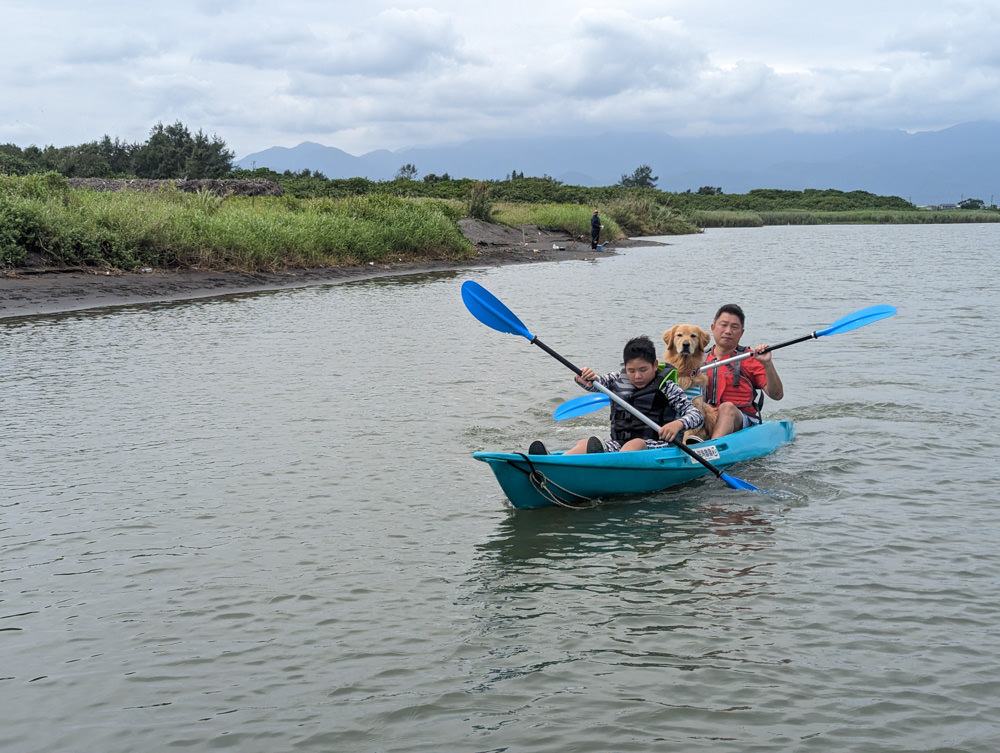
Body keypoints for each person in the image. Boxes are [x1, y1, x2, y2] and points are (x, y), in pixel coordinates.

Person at [529, 336, 703, 455]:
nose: (637, 376)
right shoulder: (617, 379)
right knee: (585, 443)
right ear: (625, 367)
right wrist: (583, 377)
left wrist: (678, 424)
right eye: (631, 371)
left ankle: (609, 470)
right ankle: (556, 463)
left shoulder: (667, 386)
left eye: (643, 370)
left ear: (655, 365)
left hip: (658, 447)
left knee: (635, 444)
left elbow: (696, 415)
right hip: (620, 444)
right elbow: (594, 385)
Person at [704, 303, 784, 438]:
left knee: (727, 408)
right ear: (713, 328)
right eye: (723, 325)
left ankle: (711, 451)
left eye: (734, 327)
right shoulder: (699, 360)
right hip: (708, 419)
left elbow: (777, 395)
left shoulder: (751, 358)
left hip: (742, 421)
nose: (728, 331)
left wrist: (767, 364)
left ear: (741, 333)